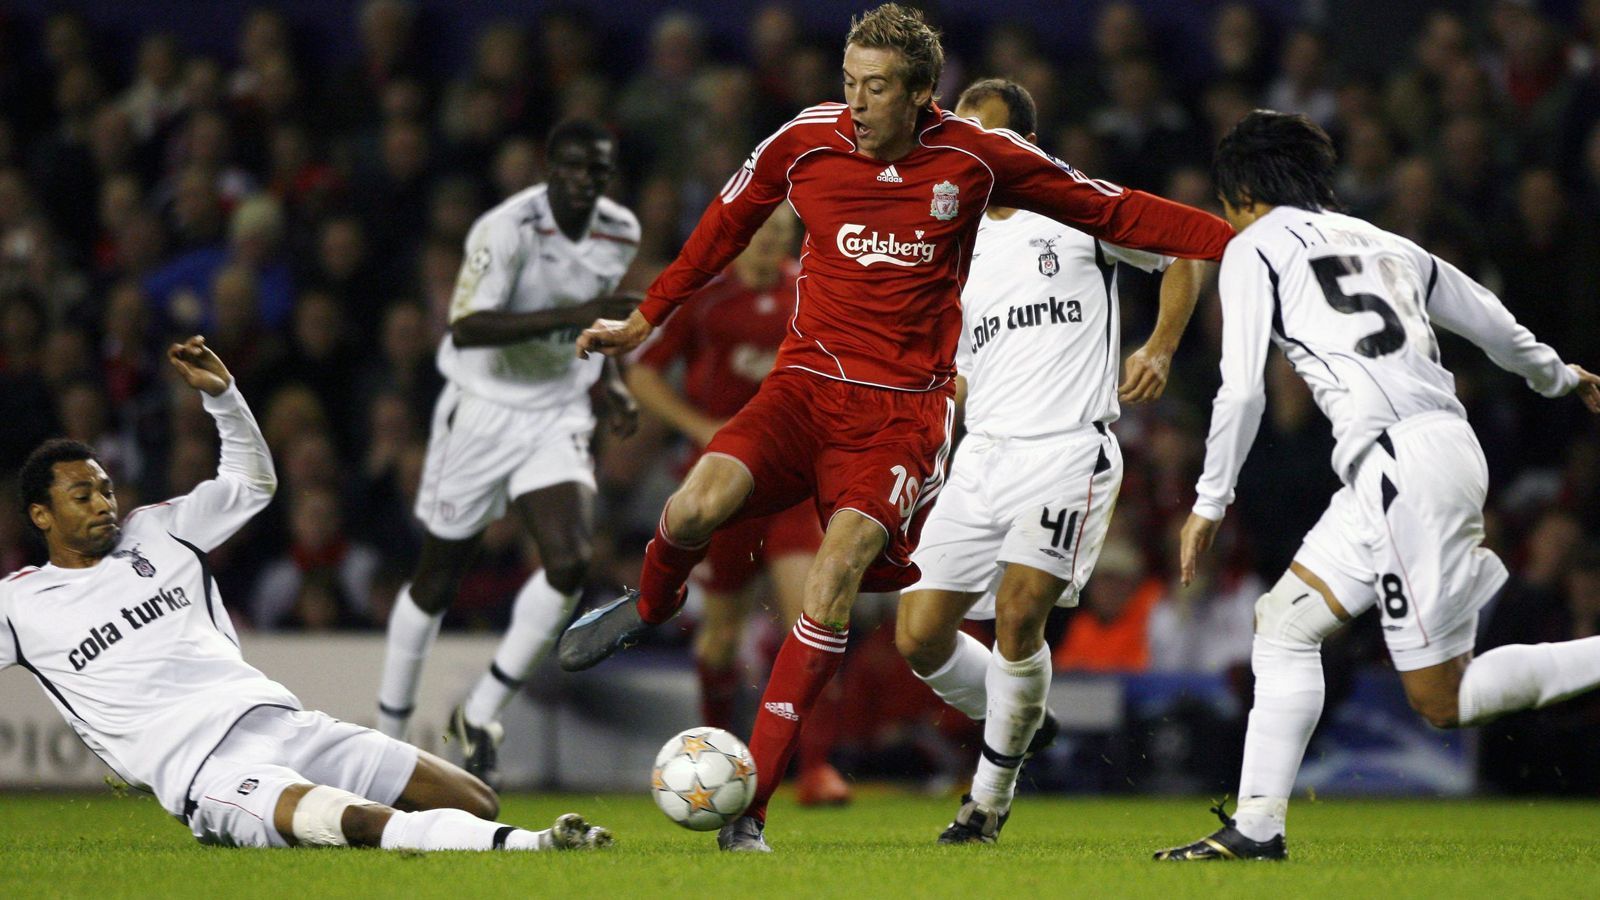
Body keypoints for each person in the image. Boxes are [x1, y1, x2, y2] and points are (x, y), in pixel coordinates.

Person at [558, 3, 1233, 852]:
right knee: (693, 509)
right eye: (849, 83)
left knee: (831, 579)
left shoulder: (978, 159)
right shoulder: (804, 141)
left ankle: (751, 814)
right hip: (802, 387)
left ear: (921, 95)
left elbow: (1123, 212)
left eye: (876, 88)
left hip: (898, 418)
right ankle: (653, 601)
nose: (858, 103)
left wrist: (1243, 237)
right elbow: (720, 233)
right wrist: (644, 318)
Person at [1155, 110, 1600, 862]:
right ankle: (1257, 827)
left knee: (1441, 698)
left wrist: (1208, 502)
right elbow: (1486, 318)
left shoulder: (1253, 247)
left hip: (1402, 466)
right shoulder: (1387, 240)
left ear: (1240, 191)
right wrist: (1558, 374)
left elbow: (1242, 392)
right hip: (1417, 457)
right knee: (1285, 624)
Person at [0, 337, 611, 852]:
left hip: (280, 720)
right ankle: (537, 843)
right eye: (82, 496)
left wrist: (224, 397)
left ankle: (464, 835)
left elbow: (250, 482)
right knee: (357, 821)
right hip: (206, 770)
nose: (104, 504)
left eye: (106, 489)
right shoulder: (20, 605)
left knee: (475, 800)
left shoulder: (158, 530)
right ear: (41, 515)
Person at [892, 77, 1206, 844]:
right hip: (983, 458)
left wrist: (1160, 347)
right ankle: (1021, 716)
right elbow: (961, 369)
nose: (969, 144)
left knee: (1019, 612)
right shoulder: (954, 248)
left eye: (985, 131)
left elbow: (1179, 254)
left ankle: (986, 803)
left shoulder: (1075, 208)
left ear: (1022, 145)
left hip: (1068, 449)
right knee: (919, 634)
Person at [373, 117, 641, 782]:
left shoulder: (620, 230)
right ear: (549, 171)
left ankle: (481, 711)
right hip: (482, 413)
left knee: (572, 561)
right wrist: (574, 317)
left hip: (555, 413)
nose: (585, 182)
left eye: (598, 171)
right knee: (437, 579)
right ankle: (385, 737)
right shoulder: (505, 229)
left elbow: (599, 320)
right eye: (573, 169)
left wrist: (610, 383)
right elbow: (466, 329)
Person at [626, 208, 850, 806]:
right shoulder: (706, 298)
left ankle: (817, 769)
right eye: (759, 235)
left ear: (791, 241)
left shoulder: (809, 289)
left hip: (793, 487)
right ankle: (714, 760)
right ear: (740, 237)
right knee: (721, 638)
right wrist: (700, 426)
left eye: (779, 237)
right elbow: (644, 373)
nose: (767, 247)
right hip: (725, 487)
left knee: (815, 612)